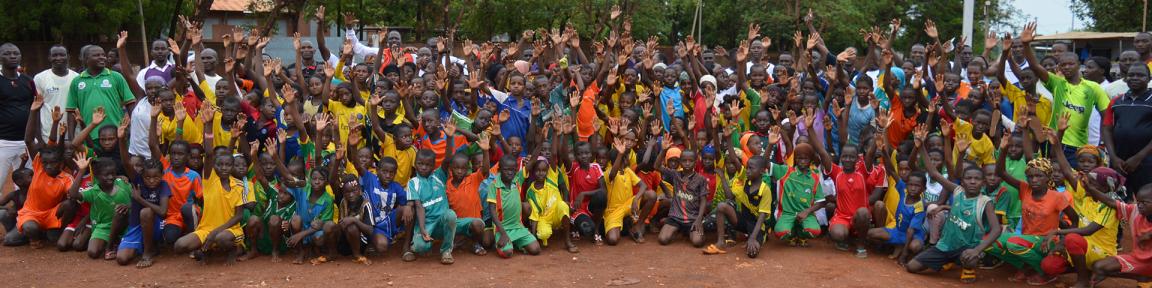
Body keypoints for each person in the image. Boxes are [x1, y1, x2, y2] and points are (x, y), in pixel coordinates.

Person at [905, 125, 1002, 284]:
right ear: (962, 181)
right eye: (968, 178)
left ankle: (968, 266)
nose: (972, 181)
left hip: (967, 248)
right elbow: (934, 172)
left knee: (969, 258)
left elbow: (997, 229)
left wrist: (977, 250)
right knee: (912, 266)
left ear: (983, 183)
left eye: (976, 179)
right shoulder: (957, 191)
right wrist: (921, 145)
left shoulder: (985, 202)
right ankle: (947, 261)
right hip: (945, 246)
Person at [67, 155, 131, 260]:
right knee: (93, 252)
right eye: (106, 175)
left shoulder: (123, 184)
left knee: (120, 212)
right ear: (96, 176)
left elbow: (136, 199)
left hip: (124, 224)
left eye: (113, 174)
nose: (110, 177)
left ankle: (110, 247)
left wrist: (128, 206)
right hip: (103, 227)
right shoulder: (94, 192)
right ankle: (115, 241)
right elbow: (73, 194)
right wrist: (82, 171)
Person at [1103, 63, 1152, 199]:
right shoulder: (1116, 101)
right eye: (1131, 75)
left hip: (1146, 162)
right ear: (1125, 78)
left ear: (1149, 79)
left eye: (1140, 75)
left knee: (1147, 202)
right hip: (1119, 162)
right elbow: (1107, 129)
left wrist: (1138, 158)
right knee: (1118, 201)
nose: (1135, 78)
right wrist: (1113, 157)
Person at [0, 43, 34, 197]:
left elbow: (35, 108)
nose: (12, 56)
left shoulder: (28, 81)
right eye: (7, 53)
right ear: (0, 57)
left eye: (16, 53)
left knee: (25, 185)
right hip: (3, 142)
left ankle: (20, 217)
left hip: (26, 142)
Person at [33, 45, 78, 140]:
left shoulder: (77, 78)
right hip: (48, 133)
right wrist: (39, 138)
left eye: (62, 55)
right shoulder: (40, 78)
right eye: (54, 55)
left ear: (68, 57)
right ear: (49, 57)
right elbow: (36, 109)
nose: (58, 58)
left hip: (74, 134)